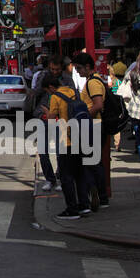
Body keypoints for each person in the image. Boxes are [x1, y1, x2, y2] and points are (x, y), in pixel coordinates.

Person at [48, 73, 96, 220]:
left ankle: (72, 209)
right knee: (80, 174)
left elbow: (51, 119)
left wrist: (47, 114)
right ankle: (84, 205)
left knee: (66, 176)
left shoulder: (55, 97)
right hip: (81, 138)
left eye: (47, 91)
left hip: (66, 141)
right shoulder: (73, 92)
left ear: (50, 87)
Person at [72, 52, 109, 210]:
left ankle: (99, 195)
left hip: (93, 125)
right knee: (94, 162)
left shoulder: (93, 83)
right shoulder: (92, 81)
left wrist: (84, 119)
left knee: (91, 163)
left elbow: (98, 104)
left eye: (79, 68)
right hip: (94, 125)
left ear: (88, 67)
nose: (78, 72)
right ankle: (101, 195)